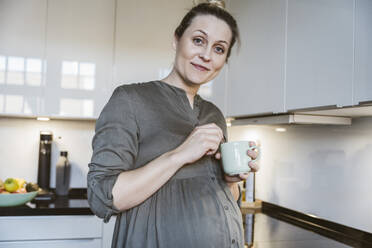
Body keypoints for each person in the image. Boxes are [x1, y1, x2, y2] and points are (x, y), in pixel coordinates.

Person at [87, 3, 259, 248]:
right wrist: (180, 155)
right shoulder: (130, 100)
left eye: (219, 49)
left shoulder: (214, 114)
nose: (207, 55)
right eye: (199, 40)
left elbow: (224, 196)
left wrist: (230, 180)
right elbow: (101, 198)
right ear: (177, 39)